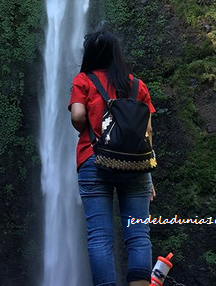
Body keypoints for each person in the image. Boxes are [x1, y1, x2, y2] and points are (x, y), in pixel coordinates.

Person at [69, 29, 156, 286]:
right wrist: (148, 174)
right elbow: (147, 133)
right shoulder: (137, 85)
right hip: (136, 166)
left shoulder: (83, 81)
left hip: (93, 161)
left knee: (99, 237)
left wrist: (85, 128)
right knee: (139, 235)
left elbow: (77, 116)